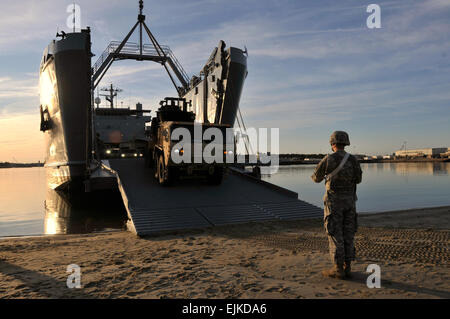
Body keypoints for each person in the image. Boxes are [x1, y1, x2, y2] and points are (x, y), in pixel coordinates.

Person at [311, 131, 362, 279]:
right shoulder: (353, 160)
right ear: (346, 143)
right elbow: (358, 179)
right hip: (350, 203)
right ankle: (348, 267)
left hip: (334, 203)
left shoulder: (329, 159)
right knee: (349, 234)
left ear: (332, 143)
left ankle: (338, 268)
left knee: (335, 234)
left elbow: (315, 178)